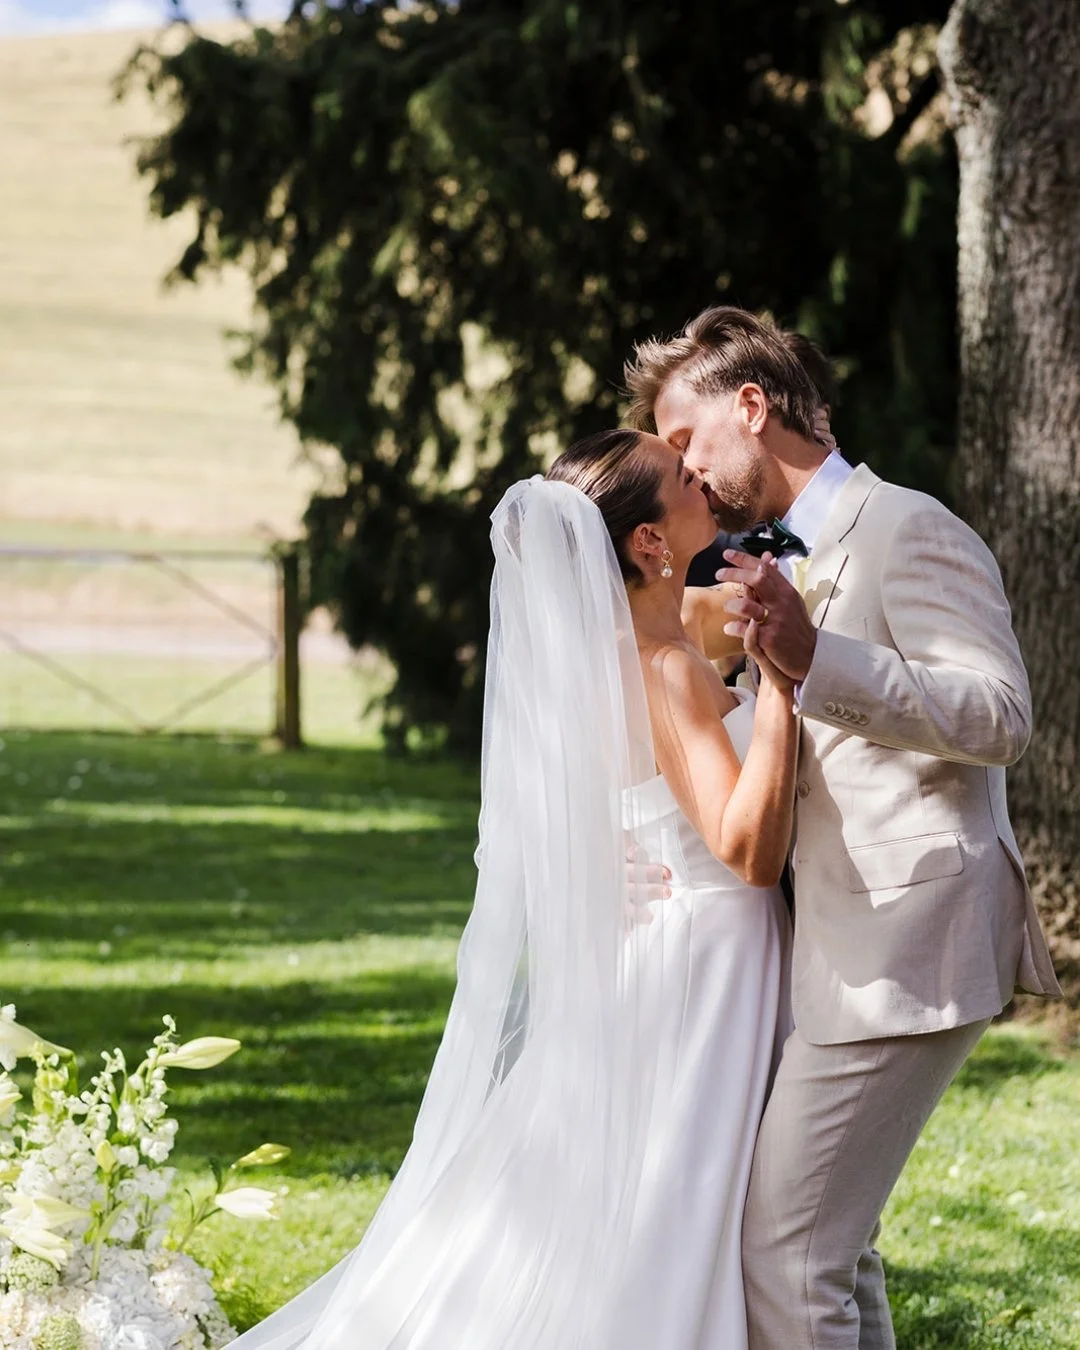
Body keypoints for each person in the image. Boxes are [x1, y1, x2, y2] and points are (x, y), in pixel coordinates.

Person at [229, 428, 797, 1349]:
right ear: (650, 543)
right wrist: (780, 686)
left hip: (665, 951)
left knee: (645, 1196)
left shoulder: (617, 653)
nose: (702, 474)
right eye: (684, 477)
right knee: (669, 1203)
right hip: (705, 965)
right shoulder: (666, 673)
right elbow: (747, 850)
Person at [624, 304, 1062, 1350]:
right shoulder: (745, 571)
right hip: (823, 948)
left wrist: (822, 660)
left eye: (686, 442)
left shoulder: (910, 527)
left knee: (789, 1252)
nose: (680, 469)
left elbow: (1002, 717)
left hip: (910, 939)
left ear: (752, 404)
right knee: (837, 1247)